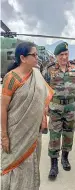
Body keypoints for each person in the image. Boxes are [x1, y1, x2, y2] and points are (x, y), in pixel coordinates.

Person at [1, 42, 54, 190]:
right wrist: (4, 136)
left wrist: (43, 118)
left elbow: (43, 99)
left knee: (31, 164)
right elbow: (3, 108)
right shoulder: (11, 78)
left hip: (33, 132)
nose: (37, 57)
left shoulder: (36, 74)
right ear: (23, 58)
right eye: (34, 55)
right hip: (15, 132)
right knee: (15, 166)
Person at [44, 42, 75, 180]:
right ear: (56, 56)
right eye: (61, 54)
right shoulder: (49, 69)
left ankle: (65, 158)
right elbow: (43, 87)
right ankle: (54, 165)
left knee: (68, 135)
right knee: (54, 136)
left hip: (70, 108)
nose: (64, 57)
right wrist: (45, 106)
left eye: (66, 54)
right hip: (55, 108)